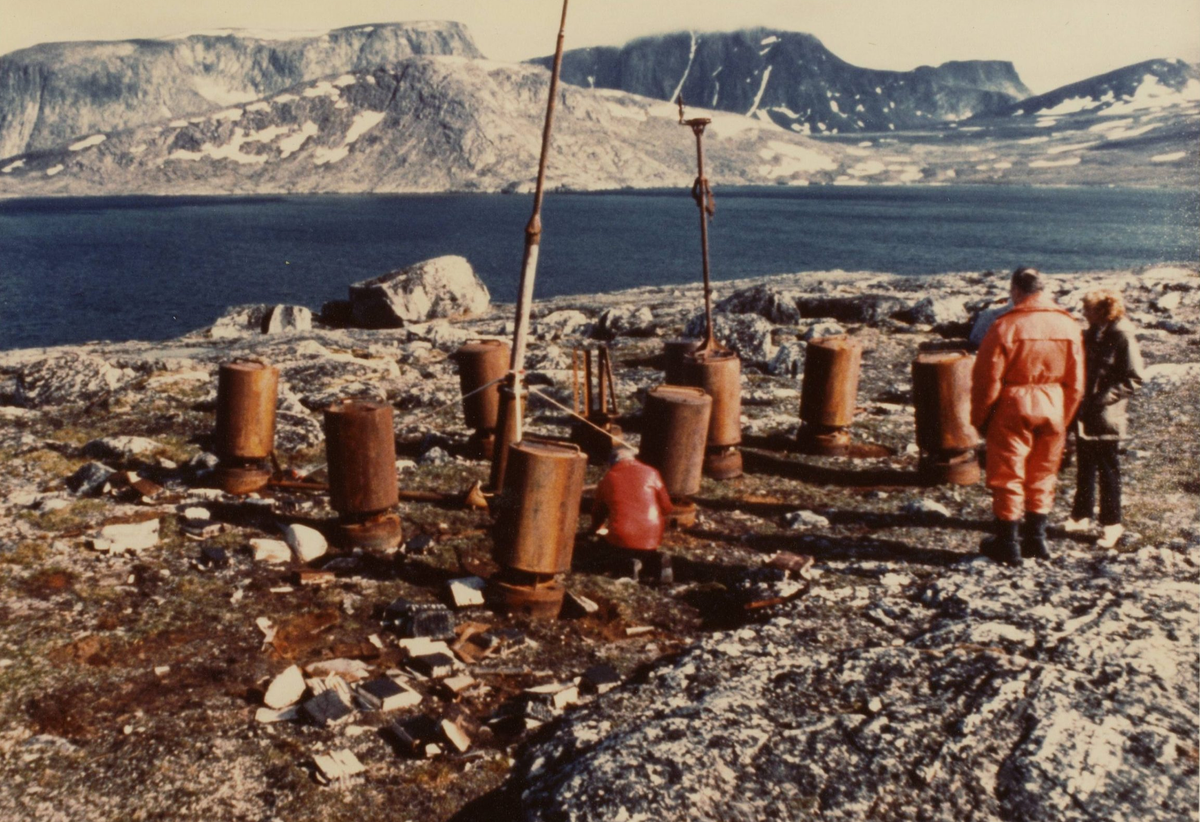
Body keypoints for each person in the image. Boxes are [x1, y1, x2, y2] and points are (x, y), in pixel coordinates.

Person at [970, 267, 1084, 564]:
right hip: (1054, 405)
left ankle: (1008, 543)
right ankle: (1036, 539)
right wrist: (1064, 417)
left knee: (1008, 474)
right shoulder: (1068, 325)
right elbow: (1076, 382)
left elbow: (987, 380)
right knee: (1044, 472)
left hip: (1013, 405)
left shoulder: (1005, 326)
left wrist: (981, 418)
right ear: (1042, 289)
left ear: (1016, 290)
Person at [1065, 289, 1144, 548]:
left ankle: (1112, 524)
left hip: (1106, 414)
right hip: (1086, 413)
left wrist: (1101, 399)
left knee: (1108, 470)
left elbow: (1134, 378)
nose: (1083, 313)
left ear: (1102, 311)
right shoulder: (1091, 334)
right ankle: (1081, 515)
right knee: (1085, 465)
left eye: (1088, 309)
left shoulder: (1122, 336)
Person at [591, 446, 673, 579]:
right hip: (652, 534)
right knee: (645, 550)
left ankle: (629, 564)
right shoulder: (652, 472)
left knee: (613, 549)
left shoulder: (607, 479)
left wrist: (597, 528)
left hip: (622, 533)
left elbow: (598, 512)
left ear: (612, 462)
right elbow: (667, 507)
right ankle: (656, 560)